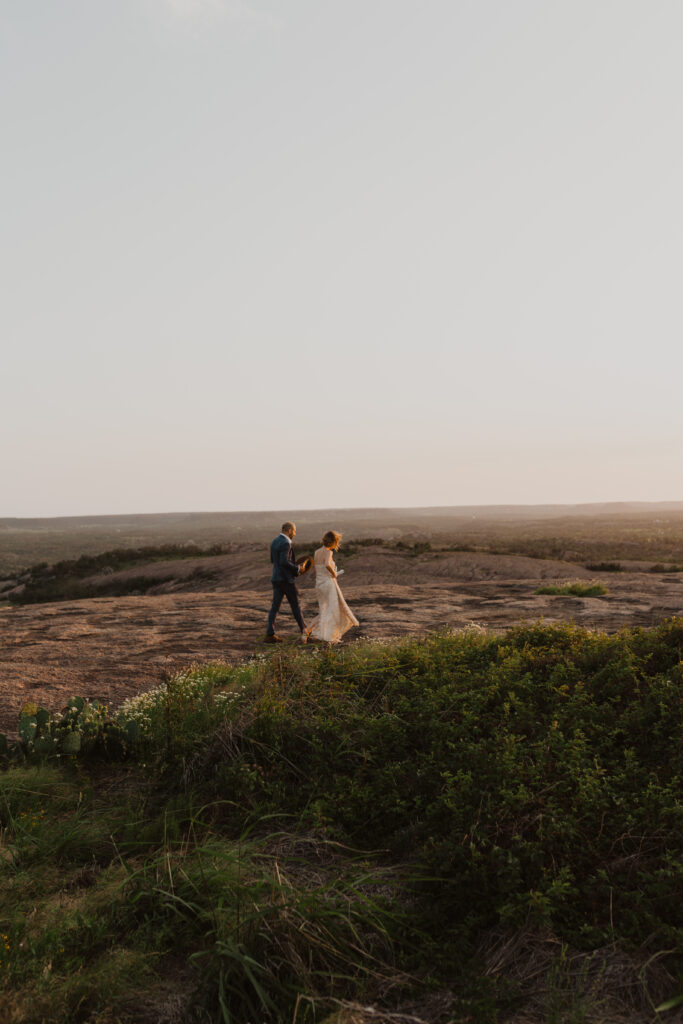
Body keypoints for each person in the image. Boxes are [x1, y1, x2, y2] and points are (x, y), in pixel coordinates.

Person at [306, 530, 358, 644]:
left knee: (324, 609)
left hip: (319, 584)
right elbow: (327, 565)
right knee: (332, 609)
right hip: (328, 583)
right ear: (334, 542)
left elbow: (316, 569)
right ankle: (329, 635)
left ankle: (308, 630)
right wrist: (334, 574)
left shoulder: (316, 552)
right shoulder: (328, 552)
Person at [265, 521, 309, 643]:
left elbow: (274, 560)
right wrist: (297, 569)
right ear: (289, 530)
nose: (294, 533)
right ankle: (304, 630)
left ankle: (270, 634)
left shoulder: (274, 541)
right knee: (295, 605)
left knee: (275, 607)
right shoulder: (286, 543)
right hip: (286, 580)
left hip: (276, 578)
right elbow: (284, 561)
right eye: (294, 531)